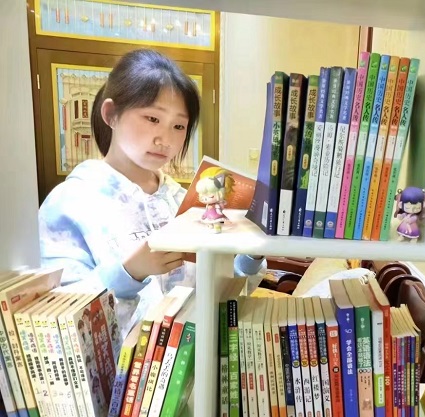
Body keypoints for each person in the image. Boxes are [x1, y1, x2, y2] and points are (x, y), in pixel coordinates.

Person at [39, 49, 266, 339]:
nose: (165, 139)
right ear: (111, 114)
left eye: (179, 126)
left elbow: (220, 291)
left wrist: (251, 253)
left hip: (193, 359)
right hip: (123, 368)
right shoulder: (69, 203)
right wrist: (129, 273)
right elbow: (54, 322)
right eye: (152, 118)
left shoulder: (183, 202)